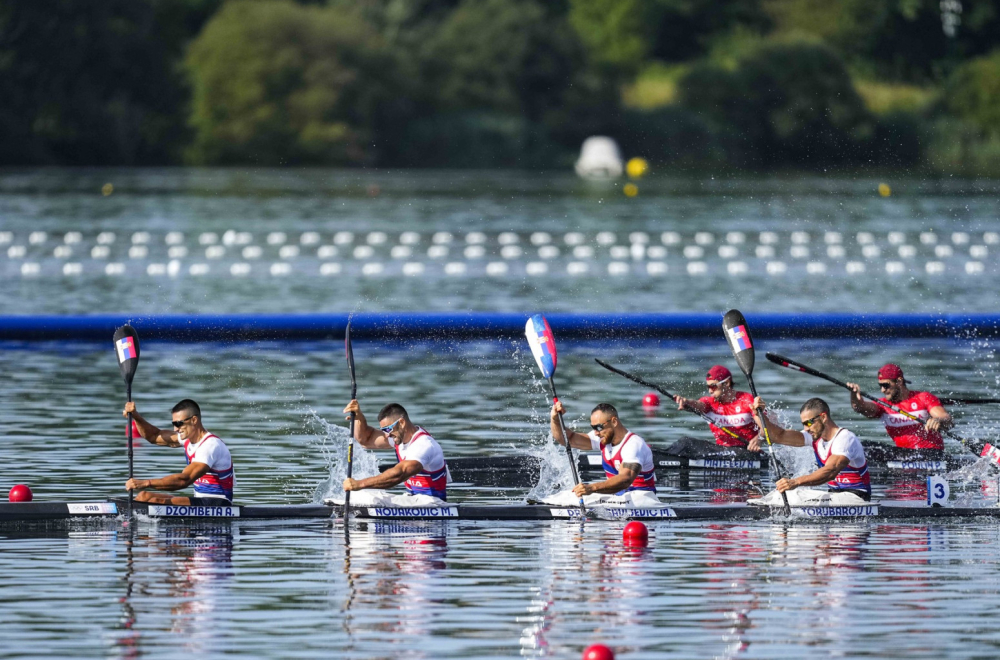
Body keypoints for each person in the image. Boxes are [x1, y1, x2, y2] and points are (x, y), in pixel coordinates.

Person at [752, 396, 871, 501]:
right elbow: (777, 436)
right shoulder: (814, 437)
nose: (806, 428)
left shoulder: (845, 438)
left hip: (857, 497)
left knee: (796, 494)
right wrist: (759, 414)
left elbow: (830, 472)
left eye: (808, 423)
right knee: (787, 494)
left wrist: (795, 482)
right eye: (803, 424)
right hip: (835, 496)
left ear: (823, 417)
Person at [123, 399, 235, 505]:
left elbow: (184, 480)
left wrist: (145, 483)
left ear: (194, 420)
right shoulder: (186, 439)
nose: (175, 429)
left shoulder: (210, 446)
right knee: (144, 496)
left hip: (220, 503)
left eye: (178, 424)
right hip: (201, 501)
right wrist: (136, 416)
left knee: (156, 502)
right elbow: (153, 436)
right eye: (174, 424)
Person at [342, 401, 450, 500]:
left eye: (388, 429)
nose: (387, 434)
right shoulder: (398, 437)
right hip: (413, 500)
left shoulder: (424, 445)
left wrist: (359, 484)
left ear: (402, 423)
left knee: (366, 495)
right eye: (383, 430)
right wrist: (358, 418)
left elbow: (400, 474)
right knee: (364, 497)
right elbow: (365, 440)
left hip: (433, 503)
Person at [550, 402, 656, 497]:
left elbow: (625, 479)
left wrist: (591, 488)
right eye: (593, 428)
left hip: (641, 498)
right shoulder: (602, 439)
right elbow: (568, 440)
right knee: (568, 495)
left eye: (599, 427)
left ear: (614, 421)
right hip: (618, 498)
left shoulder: (634, 444)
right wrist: (555, 420)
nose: (596, 432)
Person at [847, 364, 953, 451]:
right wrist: (854, 397)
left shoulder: (923, 398)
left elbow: (946, 418)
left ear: (899, 381)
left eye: (886, 385)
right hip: (903, 455)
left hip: (931, 454)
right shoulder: (883, 405)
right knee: (865, 447)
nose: (882, 390)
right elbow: (860, 408)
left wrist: (937, 420)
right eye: (880, 386)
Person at [673, 365, 759, 448]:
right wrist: (686, 402)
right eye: (708, 387)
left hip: (747, 452)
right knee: (686, 443)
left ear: (726, 383)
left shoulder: (747, 400)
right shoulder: (709, 403)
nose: (710, 391)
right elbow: (698, 404)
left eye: (713, 386)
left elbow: (768, 430)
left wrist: (759, 439)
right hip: (722, 451)